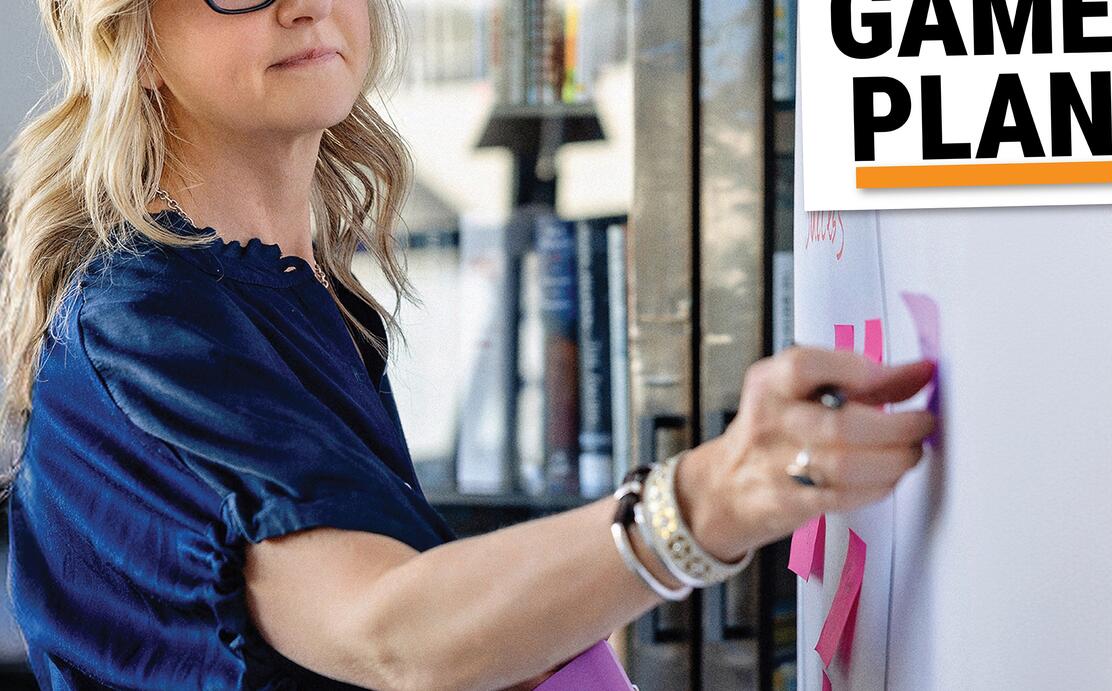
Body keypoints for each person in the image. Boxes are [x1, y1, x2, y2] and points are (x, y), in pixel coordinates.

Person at [0, 1, 937, 689]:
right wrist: (710, 498)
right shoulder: (152, 315)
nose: (305, 4)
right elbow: (386, 629)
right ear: (130, 37)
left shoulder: (305, 299)